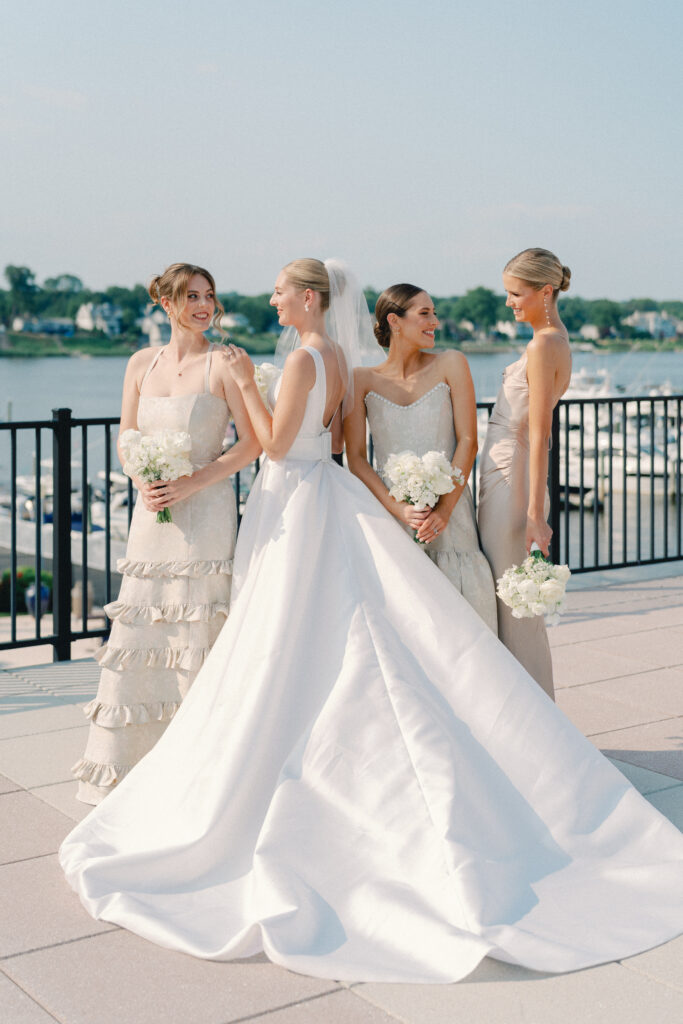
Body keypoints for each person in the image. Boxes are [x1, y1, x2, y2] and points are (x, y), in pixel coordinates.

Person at [60, 258, 683, 984]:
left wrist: (242, 384)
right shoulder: (333, 358)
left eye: (279, 290)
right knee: (339, 630)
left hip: (292, 495)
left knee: (289, 639)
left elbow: (271, 440)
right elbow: (335, 446)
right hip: (319, 490)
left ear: (307, 299)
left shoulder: (302, 358)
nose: (269, 299)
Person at [72, 263, 260, 803]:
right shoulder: (138, 363)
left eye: (209, 296)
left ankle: (203, 777)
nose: (204, 306)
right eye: (191, 296)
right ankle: (136, 775)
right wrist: (143, 480)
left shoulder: (223, 364)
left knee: (197, 627)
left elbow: (250, 445)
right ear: (166, 303)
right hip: (150, 517)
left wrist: (193, 481)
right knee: (147, 628)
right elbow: (127, 437)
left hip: (207, 515)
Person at [345, 283, 497, 632]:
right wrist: (399, 509)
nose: (435, 322)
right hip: (393, 514)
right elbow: (355, 457)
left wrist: (443, 512)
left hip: (452, 511)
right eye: (425, 313)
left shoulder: (451, 363)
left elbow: (469, 440)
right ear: (395, 321)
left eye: (435, 313)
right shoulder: (361, 380)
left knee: (463, 621)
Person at [477, 248, 573, 700]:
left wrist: (535, 512)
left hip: (512, 483)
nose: (510, 302)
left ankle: (533, 721)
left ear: (545, 291)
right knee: (513, 602)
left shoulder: (542, 344)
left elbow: (539, 435)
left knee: (511, 603)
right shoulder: (554, 338)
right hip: (508, 475)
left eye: (516, 294)